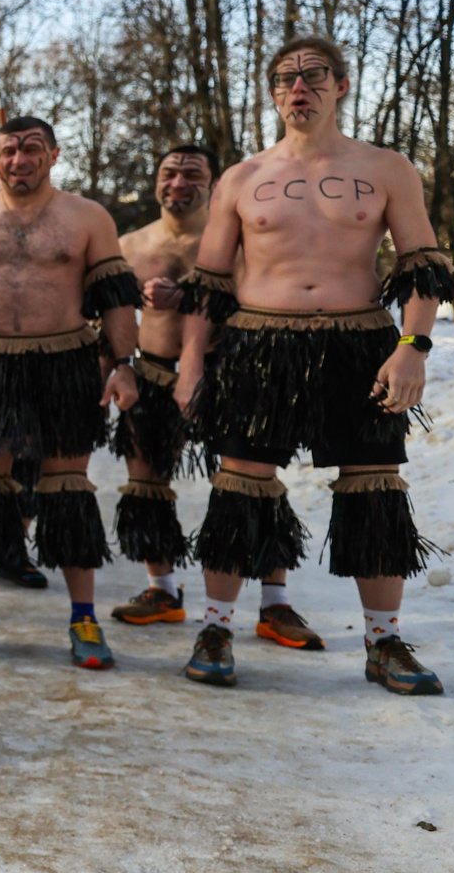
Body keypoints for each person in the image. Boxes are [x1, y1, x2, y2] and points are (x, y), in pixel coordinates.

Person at [176, 37, 453, 694]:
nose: (298, 88)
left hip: (359, 346)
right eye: (285, 79)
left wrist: (412, 348)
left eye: (313, 75)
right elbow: (209, 282)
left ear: (342, 85)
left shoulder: (386, 169)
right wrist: (190, 361)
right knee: (239, 485)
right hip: (257, 346)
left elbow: (422, 265)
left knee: (374, 489)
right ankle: (215, 629)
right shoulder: (242, 178)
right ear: (274, 94)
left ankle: (384, 643)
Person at [0, 117, 142, 671]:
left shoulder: (87, 217)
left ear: (54, 155)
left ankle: (84, 618)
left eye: (31, 149)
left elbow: (116, 298)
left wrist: (123, 365)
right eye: (9, 150)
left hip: (64, 364)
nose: (19, 159)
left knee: (67, 490)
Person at [108, 147, 316, 641]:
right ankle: (162, 590)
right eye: (169, 173)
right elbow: (111, 315)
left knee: (254, 483)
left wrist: (186, 296)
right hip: (153, 370)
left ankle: (275, 603)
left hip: (230, 371)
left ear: (214, 184)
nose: (178, 183)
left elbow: (263, 297)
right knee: (145, 482)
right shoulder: (130, 244)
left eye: (192, 174)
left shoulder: (238, 239)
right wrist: (119, 368)